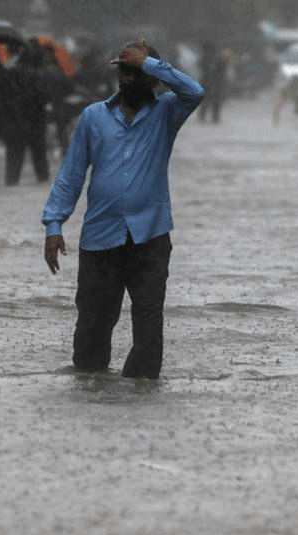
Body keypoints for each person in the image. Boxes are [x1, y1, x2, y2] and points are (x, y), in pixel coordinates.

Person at [42, 40, 204, 380]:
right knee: (92, 332)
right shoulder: (93, 117)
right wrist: (54, 224)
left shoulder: (166, 113)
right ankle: (94, 396)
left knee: (148, 330)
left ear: (152, 77)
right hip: (101, 239)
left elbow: (196, 92)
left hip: (151, 238)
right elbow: (71, 175)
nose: (127, 78)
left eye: (135, 71)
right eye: (124, 71)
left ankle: (139, 400)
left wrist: (150, 64)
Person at [0, 42, 51, 186]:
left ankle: (11, 183)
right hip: (36, 122)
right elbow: (46, 97)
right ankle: (42, 182)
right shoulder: (39, 75)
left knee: (14, 159)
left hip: (13, 122)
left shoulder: (8, 74)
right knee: (39, 158)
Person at [197, 41, 226, 123]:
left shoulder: (217, 58)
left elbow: (222, 70)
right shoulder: (205, 58)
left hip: (213, 82)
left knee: (213, 100)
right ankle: (205, 116)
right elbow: (200, 67)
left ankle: (213, 117)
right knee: (207, 100)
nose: (206, 52)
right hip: (208, 81)